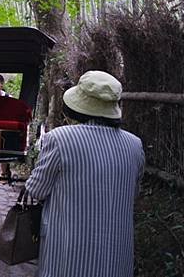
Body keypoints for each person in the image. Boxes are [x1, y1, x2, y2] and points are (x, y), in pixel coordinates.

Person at [25, 70, 145, 277]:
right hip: (116, 256)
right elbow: (132, 194)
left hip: (68, 252)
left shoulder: (59, 138)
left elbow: (36, 190)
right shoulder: (134, 144)